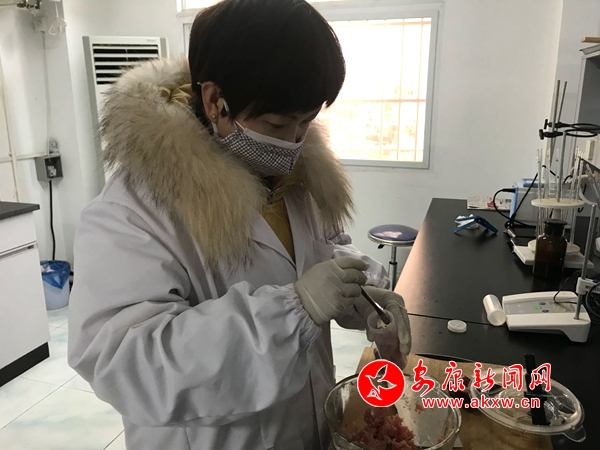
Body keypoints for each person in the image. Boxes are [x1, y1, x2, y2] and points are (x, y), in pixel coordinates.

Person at [67, 0, 411, 449]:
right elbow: (124, 363)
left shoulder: (294, 179)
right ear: (215, 101)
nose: (294, 142)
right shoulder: (133, 212)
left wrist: (359, 291)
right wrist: (292, 312)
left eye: (306, 122)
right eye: (278, 123)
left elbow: (320, 249)